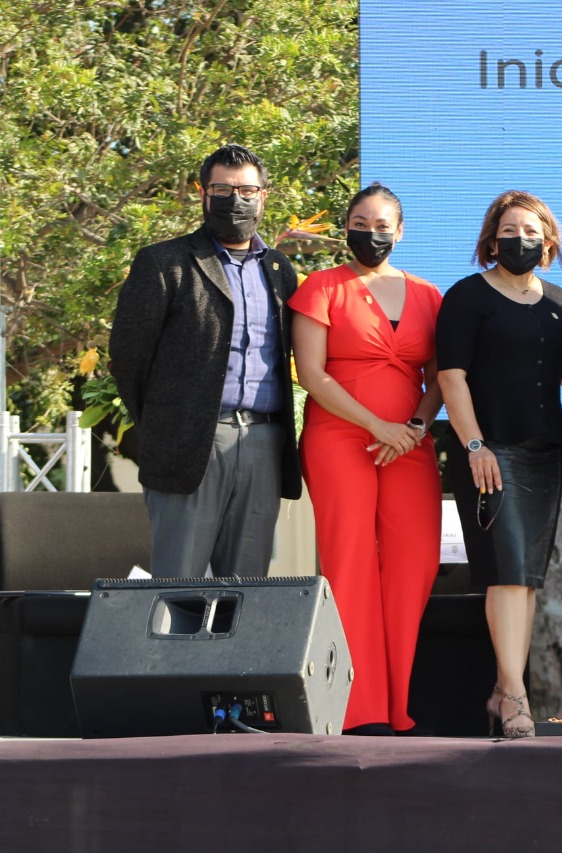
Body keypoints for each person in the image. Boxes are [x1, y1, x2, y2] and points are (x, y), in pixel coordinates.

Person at [290, 183, 444, 736]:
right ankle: (358, 711)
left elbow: (440, 379)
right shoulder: (321, 287)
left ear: (400, 232)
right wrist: (378, 426)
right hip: (339, 439)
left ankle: (398, 707)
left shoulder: (429, 294)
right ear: (346, 228)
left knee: (414, 564)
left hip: (410, 445)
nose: (371, 234)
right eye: (360, 223)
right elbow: (312, 375)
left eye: (382, 226)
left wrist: (413, 429)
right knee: (349, 561)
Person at [111, 143, 300, 578]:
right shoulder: (164, 262)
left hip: (264, 444)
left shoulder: (279, 270)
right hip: (189, 442)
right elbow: (128, 358)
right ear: (203, 193)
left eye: (247, 190)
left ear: (263, 196)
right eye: (223, 190)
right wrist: (166, 424)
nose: (236, 200)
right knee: (178, 585)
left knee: (247, 589)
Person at [436, 190, 562, 739]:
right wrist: (474, 446)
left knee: (525, 579)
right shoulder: (467, 295)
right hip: (490, 453)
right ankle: (516, 694)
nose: (519, 240)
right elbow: (450, 377)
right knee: (504, 572)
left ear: (548, 242)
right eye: (508, 231)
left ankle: (504, 693)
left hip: (544, 451)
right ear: (490, 240)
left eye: (530, 232)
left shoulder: (559, 300)